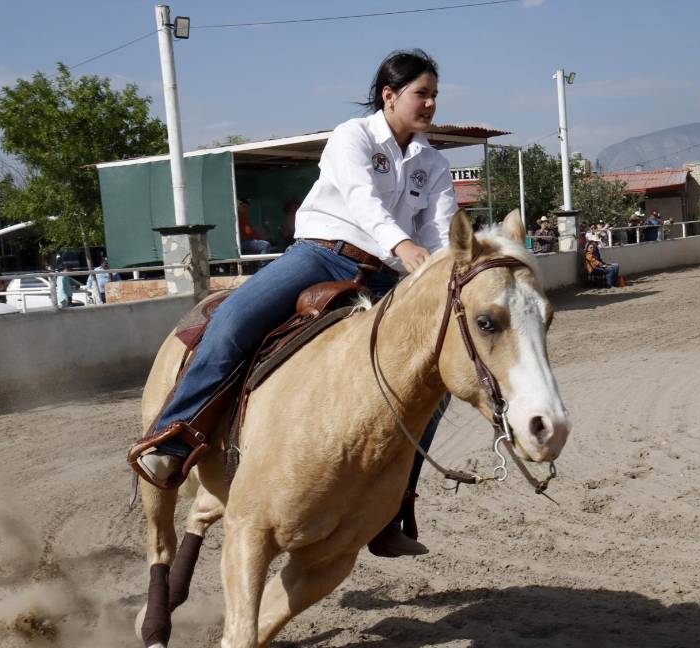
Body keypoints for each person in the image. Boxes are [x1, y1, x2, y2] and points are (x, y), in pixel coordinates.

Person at [129, 49, 456, 558]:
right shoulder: (353, 136)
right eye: (422, 93)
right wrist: (402, 246)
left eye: (434, 94)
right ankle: (174, 436)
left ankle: (393, 508)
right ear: (390, 96)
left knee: (436, 380)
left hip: (387, 278)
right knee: (235, 318)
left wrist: (437, 264)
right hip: (321, 257)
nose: (430, 103)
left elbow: (438, 227)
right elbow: (360, 198)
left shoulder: (434, 163)